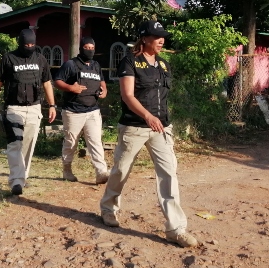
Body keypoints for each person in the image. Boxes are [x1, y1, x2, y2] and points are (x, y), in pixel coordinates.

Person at [99, 20, 199, 248]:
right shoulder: (130, 61)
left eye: (162, 36)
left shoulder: (163, 64)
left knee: (168, 173)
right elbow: (127, 95)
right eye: (156, 36)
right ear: (144, 38)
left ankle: (176, 229)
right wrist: (147, 116)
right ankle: (108, 208)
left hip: (161, 128)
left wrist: (159, 120)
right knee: (121, 170)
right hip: (135, 126)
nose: (162, 40)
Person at [0, 28, 57, 195]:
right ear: (20, 43)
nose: (29, 47)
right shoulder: (9, 58)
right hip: (13, 108)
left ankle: (22, 177)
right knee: (15, 144)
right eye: (26, 44)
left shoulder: (40, 59)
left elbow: (47, 83)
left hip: (34, 108)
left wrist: (52, 105)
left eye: (32, 44)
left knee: (28, 145)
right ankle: (16, 181)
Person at [54, 37, 109, 184]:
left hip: (92, 110)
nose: (89, 50)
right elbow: (57, 81)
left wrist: (104, 90)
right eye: (87, 47)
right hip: (73, 111)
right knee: (71, 143)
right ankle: (67, 170)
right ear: (81, 48)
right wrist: (71, 88)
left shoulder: (96, 65)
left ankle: (101, 172)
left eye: (92, 48)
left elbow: (101, 81)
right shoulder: (70, 64)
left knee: (96, 141)